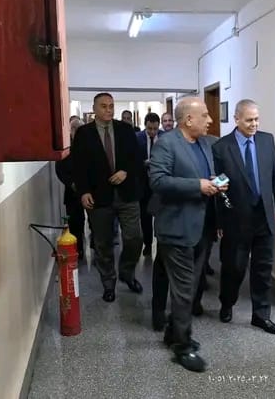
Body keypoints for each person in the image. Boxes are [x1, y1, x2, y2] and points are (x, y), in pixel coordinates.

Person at [149, 96, 227, 372]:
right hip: (177, 228)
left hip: (202, 228)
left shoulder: (205, 144)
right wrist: (198, 186)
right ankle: (182, 346)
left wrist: (217, 183)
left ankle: (173, 331)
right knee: (183, 291)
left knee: (193, 287)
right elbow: (158, 180)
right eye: (205, 115)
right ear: (188, 119)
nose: (210, 120)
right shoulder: (166, 144)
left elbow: (210, 175)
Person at [212, 99, 275, 335]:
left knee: (263, 268)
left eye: (257, 119)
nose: (254, 124)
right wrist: (220, 220)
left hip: (263, 216)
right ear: (236, 119)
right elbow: (218, 187)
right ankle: (227, 302)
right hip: (236, 219)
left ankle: (261, 315)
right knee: (234, 267)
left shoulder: (266, 140)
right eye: (249, 120)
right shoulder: (221, 147)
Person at [71, 93, 144, 302]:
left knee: (134, 238)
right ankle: (108, 282)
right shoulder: (84, 133)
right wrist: (84, 191)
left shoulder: (125, 130)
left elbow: (137, 158)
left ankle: (127, 272)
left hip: (126, 194)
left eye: (111, 106)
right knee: (103, 243)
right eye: (103, 106)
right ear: (95, 109)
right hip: (98, 197)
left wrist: (125, 171)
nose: (109, 110)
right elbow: (78, 166)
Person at [55, 117, 87, 260]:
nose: (77, 132)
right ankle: (78, 250)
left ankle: (95, 248)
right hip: (72, 192)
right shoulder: (66, 149)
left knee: (95, 222)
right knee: (75, 223)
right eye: (74, 129)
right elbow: (60, 170)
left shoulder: (89, 145)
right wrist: (71, 183)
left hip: (91, 190)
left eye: (79, 129)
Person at [136, 112, 164, 256]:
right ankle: (147, 244)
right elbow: (132, 160)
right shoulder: (137, 138)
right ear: (145, 126)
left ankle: (161, 245)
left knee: (161, 215)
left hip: (160, 184)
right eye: (149, 129)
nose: (152, 132)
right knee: (145, 216)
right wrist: (144, 163)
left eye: (155, 129)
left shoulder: (165, 137)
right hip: (143, 183)